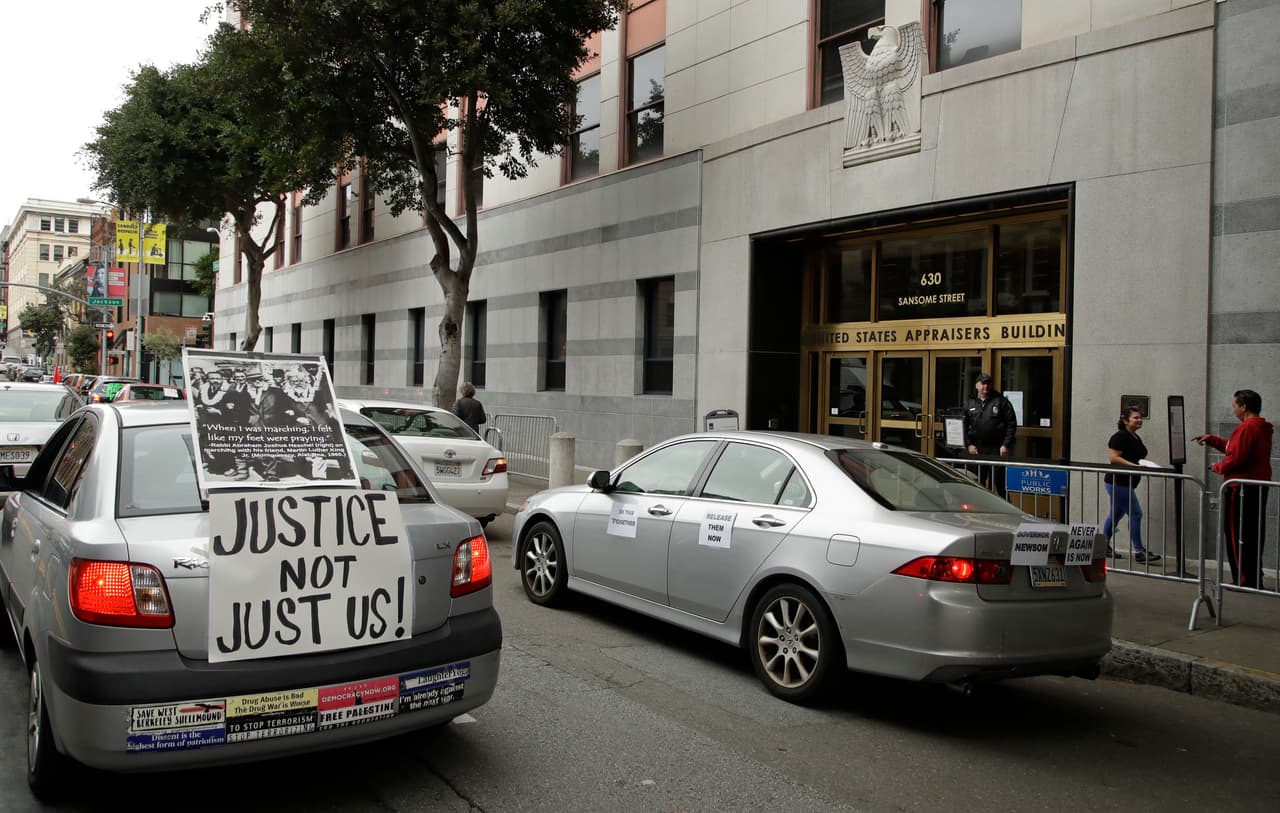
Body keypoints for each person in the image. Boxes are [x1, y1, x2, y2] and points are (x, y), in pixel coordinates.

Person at [1194, 389, 1273, 588]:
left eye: (1235, 406)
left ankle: (1243, 578)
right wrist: (1213, 440)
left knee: (1237, 534)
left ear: (1244, 406)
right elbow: (1234, 447)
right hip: (1257, 486)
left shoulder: (1246, 428)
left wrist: (1217, 467)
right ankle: (1253, 576)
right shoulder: (1262, 427)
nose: (1234, 410)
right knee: (1253, 533)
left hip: (1240, 488)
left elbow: (1237, 457)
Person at [1104, 407, 1160, 563]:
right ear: (1125, 420)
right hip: (1118, 481)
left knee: (1115, 514)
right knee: (1136, 514)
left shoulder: (1135, 437)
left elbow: (1141, 456)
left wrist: (1151, 464)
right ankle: (1139, 551)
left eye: (1140, 418)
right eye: (1136, 417)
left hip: (1126, 482)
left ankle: (1102, 546)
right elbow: (1114, 458)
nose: (1139, 420)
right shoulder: (1119, 437)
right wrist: (1133, 466)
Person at [962, 372, 1017, 497]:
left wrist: (1005, 444)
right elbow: (963, 426)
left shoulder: (1000, 402)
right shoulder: (970, 403)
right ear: (977, 385)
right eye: (982, 383)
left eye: (988, 383)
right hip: (977, 449)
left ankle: (1005, 511)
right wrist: (969, 444)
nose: (985, 386)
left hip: (996, 448)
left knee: (999, 483)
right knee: (977, 482)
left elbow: (1011, 424)